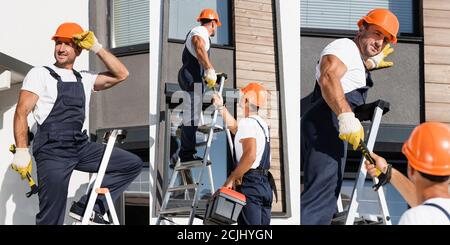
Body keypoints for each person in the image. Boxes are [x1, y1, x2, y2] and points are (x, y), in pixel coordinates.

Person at [11, 22, 143, 225]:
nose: (61, 49)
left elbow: (122, 74)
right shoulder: (40, 74)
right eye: (58, 43)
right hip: (52, 149)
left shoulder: (85, 78)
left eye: (68, 44)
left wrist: (97, 47)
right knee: (51, 217)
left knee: (131, 164)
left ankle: (87, 206)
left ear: (79, 49)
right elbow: (22, 111)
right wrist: (21, 150)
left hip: (80, 145)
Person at [301, 9, 399, 225]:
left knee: (325, 198)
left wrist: (368, 65)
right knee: (319, 201)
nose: (379, 43)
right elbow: (328, 75)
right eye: (376, 33)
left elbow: (345, 79)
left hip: (330, 124)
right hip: (328, 123)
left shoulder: (354, 56)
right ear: (361, 27)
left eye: (385, 40)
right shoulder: (344, 46)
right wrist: (346, 116)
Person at [212, 83, 276, 225]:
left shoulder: (247, 123)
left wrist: (231, 179)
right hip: (264, 186)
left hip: (251, 184)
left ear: (247, 100)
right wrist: (221, 107)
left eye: (242, 96)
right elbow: (236, 129)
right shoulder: (261, 124)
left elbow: (250, 156)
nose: (240, 98)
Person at [366, 122, 450, 225]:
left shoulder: (415, 218)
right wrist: (387, 170)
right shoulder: (437, 212)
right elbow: (428, 205)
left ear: (411, 170)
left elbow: (426, 208)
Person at [178, 8, 220, 164]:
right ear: (213, 23)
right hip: (191, 77)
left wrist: (207, 70)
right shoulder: (200, 31)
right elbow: (198, 46)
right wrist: (209, 68)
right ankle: (186, 155)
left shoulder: (200, 31)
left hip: (192, 77)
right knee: (192, 116)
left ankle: (185, 147)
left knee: (192, 114)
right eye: (216, 25)